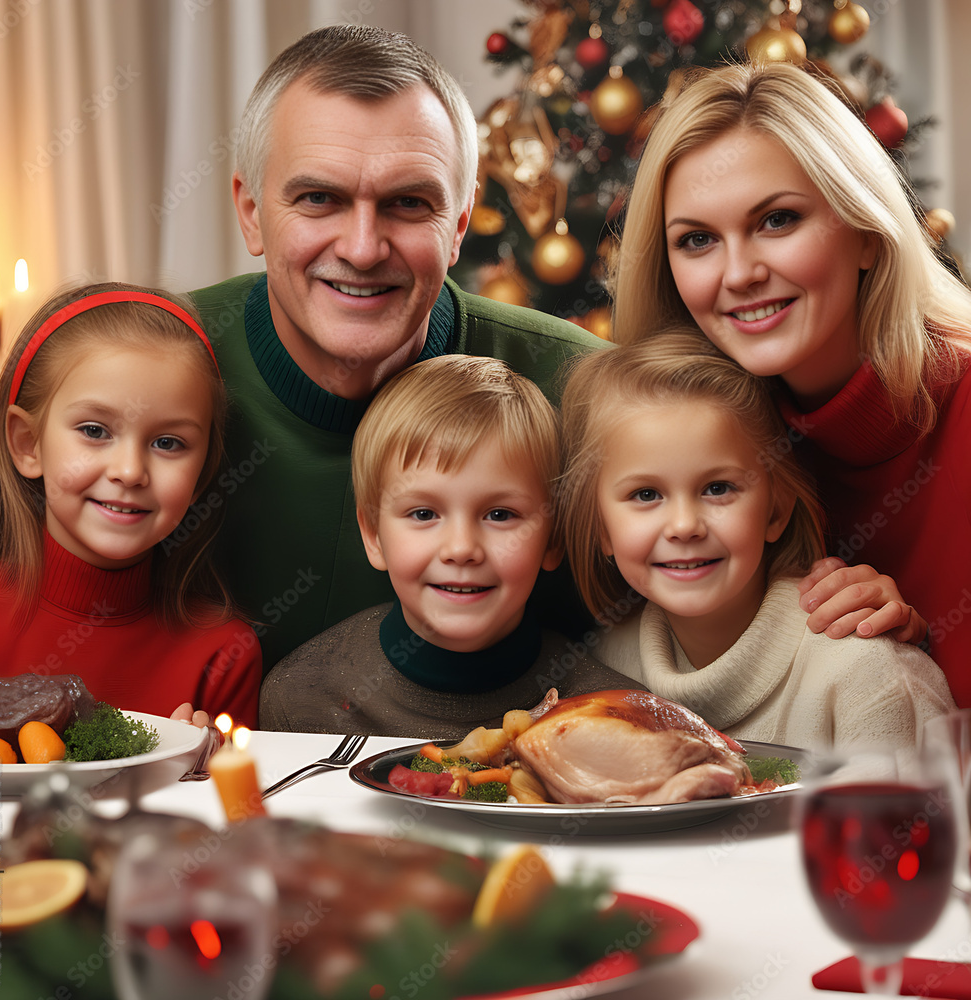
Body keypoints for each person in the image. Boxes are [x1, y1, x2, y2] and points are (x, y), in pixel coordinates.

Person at [190, 24, 608, 673]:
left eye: (408, 203)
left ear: (460, 224)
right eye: (319, 198)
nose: (362, 248)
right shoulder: (147, 366)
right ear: (251, 212)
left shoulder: (583, 389)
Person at [611, 59, 971, 706]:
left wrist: (915, 666)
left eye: (776, 221)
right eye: (696, 240)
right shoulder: (703, 449)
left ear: (866, 232)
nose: (740, 273)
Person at [559, 331, 954, 749]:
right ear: (601, 528)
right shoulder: (598, 673)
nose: (684, 525)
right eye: (646, 495)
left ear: (776, 511)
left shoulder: (867, 675)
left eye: (717, 488)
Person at [259, 355, 637, 738]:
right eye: (424, 514)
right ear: (373, 535)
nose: (461, 549)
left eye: (500, 515)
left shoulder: (611, 715)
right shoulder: (301, 701)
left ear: (554, 538)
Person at [0, 283, 262, 726]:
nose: (129, 471)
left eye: (168, 442)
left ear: (201, 475)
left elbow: (238, 795)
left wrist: (196, 778)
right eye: (94, 431)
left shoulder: (222, 654)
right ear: (28, 444)